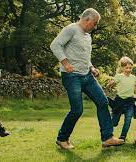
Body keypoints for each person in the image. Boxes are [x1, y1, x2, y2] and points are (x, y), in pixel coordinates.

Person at [50, 8, 125, 149]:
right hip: (72, 77)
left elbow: (85, 57)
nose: (95, 26)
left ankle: (107, 138)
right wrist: (65, 62)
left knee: (103, 102)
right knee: (77, 109)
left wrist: (92, 68)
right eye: (94, 23)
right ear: (87, 19)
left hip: (87, 75)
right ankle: (62, 138)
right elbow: (55, 45)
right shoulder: (71, 29)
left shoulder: (88, 36)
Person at [107, 56, 136, 142]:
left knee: (128, 119)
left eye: (130, 68)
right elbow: (111, 84)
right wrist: (109, 86)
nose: (129, 70)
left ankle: (122, 137)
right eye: (127, 68)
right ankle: (108, 136)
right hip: (119, 101)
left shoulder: (133, 78)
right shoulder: (119, 77)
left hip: (130, 101)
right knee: (114, 122)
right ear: (122, 68)